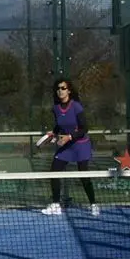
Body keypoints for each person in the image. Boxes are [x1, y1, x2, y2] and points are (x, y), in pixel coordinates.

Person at [41, 79, 100, 216]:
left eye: (63, 88)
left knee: (83, 175)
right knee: (54, 171)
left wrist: (69, 137)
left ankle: (93, 204)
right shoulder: (56, 108)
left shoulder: (76, 106)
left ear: (69, 90)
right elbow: (59, 125)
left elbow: (84, 128)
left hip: (81, 144)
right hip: (67, 145)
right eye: (58, 88)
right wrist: (54, 133)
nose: (60, 91)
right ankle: (56, 205)